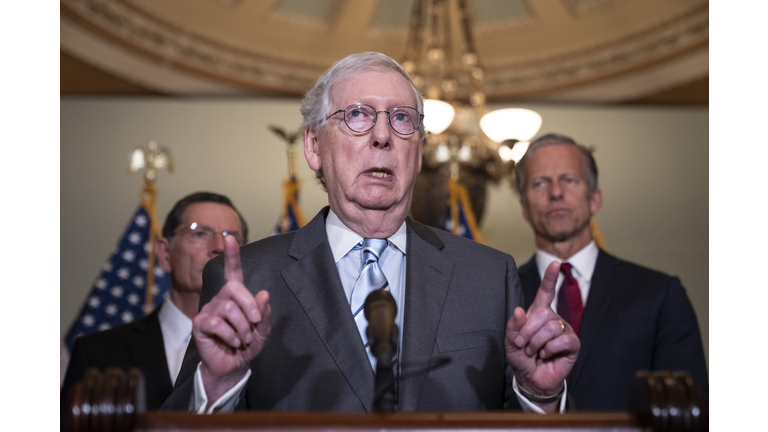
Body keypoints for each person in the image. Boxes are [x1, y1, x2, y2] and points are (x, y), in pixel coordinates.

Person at [163, 52, 580, 415]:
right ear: (313, 146)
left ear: (417, 152)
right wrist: (217, 386)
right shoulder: (249, 278)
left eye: (401, 119)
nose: (382, 136)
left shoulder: (488, 277)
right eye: (358, 116)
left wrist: (539, 394)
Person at [513, 133, 708, 410]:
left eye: (569, 180)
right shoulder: (501, 296)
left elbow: (692, 408)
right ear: (524, 207)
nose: (555, 192)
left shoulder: (660, 293)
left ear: (594, 199)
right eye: (540, 183)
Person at [61, 192, 248, 425]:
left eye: (231, 237)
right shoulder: (96, 353)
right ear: (164, 253)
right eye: (199, 233)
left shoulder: (266, 356)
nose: (219, 246)